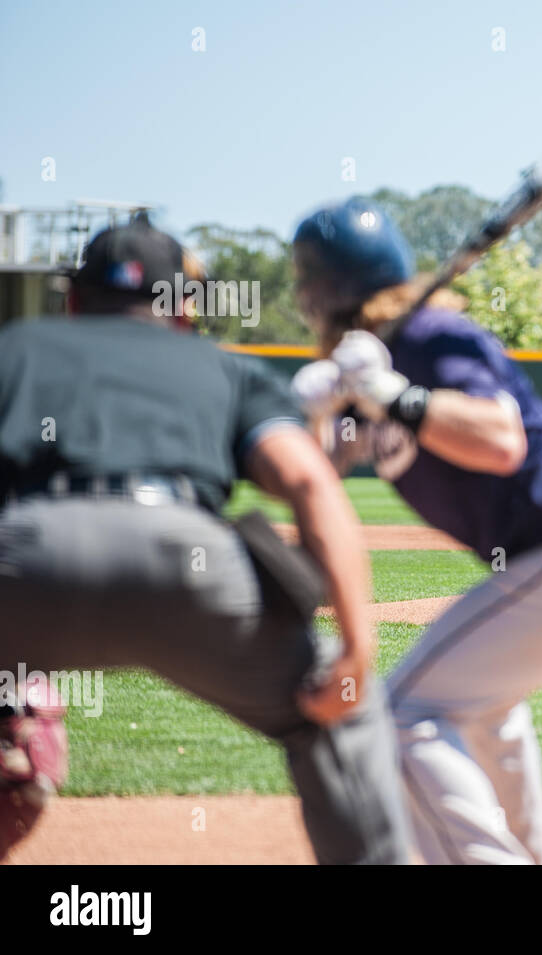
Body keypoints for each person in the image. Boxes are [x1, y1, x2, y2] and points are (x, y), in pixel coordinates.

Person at [0, 216, 410, 863]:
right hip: (187, 563)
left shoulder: (17, 349)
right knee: (335, 710)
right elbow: (309, 483)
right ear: (183, 309)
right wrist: (356, 650)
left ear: (74, 301)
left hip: (24, 560)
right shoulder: (222, 368)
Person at [289, 197, 542, 864]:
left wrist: (391, 391)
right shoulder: (375, 361)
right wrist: (316, 406)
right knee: (485, 711)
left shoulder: (429, 338)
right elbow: (316, 474)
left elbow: (501, 440)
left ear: (318, 291)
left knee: (402, 715)